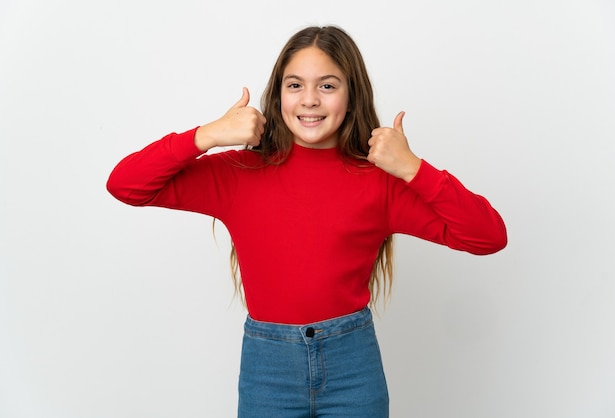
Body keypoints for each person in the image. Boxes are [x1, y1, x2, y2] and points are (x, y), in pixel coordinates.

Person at [107, 25, 507, 418]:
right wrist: (206, 135)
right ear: (278, 94)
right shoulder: (237, 173)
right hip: (268, 371)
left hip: (353, 370)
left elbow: (488, 236)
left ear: (352, 96)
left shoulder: (380, 183)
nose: (310, 100)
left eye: (328, 86)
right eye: (295, 85)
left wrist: (413, 169)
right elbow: (126, 184)